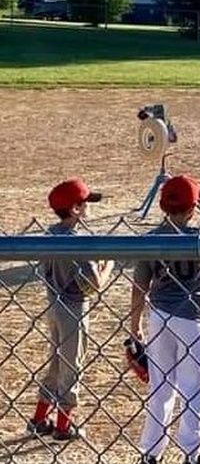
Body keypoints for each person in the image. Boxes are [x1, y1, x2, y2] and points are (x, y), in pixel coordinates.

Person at [129, 175, 200, 464]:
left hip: (160, 318)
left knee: (160, 388)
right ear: (194, 208)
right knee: (195, 389)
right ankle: (191, 457)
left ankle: (151, 456)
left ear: (163, 206)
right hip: (193, 319)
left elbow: (140, 285)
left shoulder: (152, 239)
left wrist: (134, 324)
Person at [26, 178, 114, 441]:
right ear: (75, 210)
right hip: (74, 309)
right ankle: (64, 426)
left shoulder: (51, 234)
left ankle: (40, 419)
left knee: (56, 364)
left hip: (53, 305)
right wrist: (108, 263)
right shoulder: (77, 242)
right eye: (85, 203)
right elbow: (92, 285)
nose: (89, 208)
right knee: (72, 367)